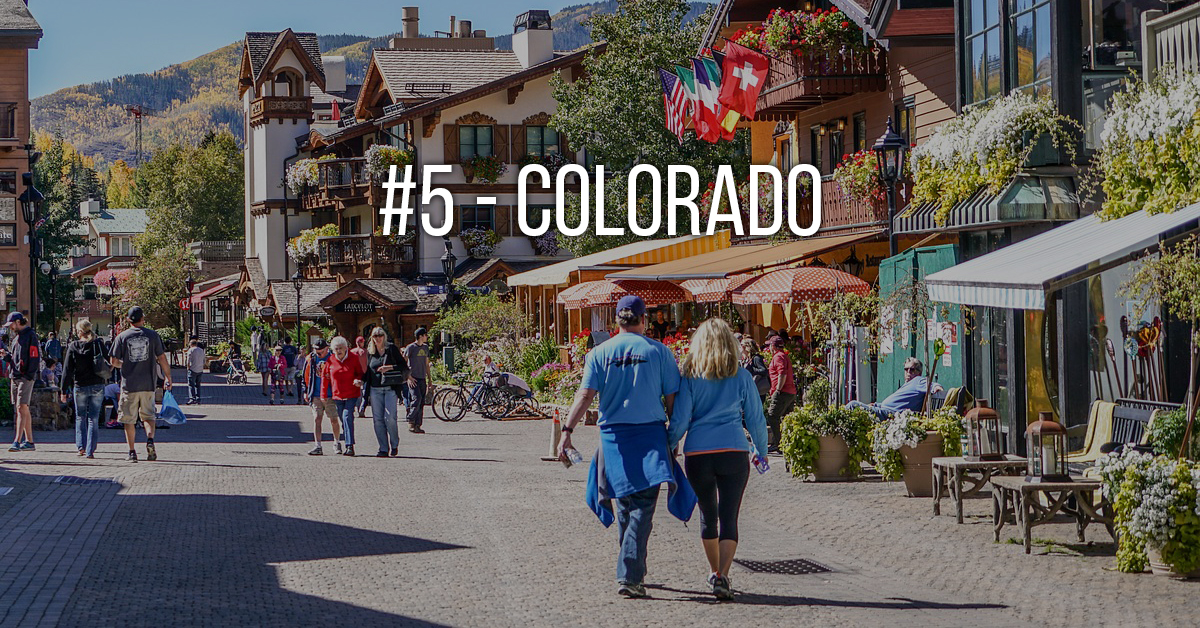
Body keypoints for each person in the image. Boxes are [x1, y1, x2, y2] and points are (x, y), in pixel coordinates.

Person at [557, 295, 694, 600]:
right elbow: (673, 400)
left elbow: (584, 396)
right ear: (644, 320)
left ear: (616, 321)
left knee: (624, 505)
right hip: (650, 438)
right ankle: (630, 575)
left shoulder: (599, 353)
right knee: (642, 507)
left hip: (614, 440)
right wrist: (673, 440)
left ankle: (632, 567)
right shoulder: (660, 352)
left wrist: (566, 431)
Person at [669, 319, 769, 600]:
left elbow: (681, 419)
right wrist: (761, 450)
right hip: (733, 451)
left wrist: (670, 444)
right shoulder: (741, 376)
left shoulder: (690, 376)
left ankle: (714, 571)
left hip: (698, 453)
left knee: (708, 515)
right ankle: (724, 574)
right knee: (729, 516)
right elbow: (756, 419)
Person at [110, 306, 171, 463]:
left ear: (128, 320)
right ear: (143, 319)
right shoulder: (152, 335)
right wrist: (168, 377)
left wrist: (125, 364)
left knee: (128, 419)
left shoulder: (122, 337)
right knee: (148, 416)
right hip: (148, 384)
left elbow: (113, 361)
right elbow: (162, 358)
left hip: (129, 385)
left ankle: (132, 452)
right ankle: (150, 439)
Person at [61, 320, 109, 458]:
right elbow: (110, 359)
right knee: (93, 418)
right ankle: (90, 450)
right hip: (97, 384)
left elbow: (67, 370)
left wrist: (63, 390)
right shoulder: (97, 343)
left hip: (80, 385)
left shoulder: (73, 346)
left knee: (80, 416)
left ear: (80, 331)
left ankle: (81, 447)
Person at [847, 357, 941, 421]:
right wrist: (877, 405)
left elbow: (932, 385)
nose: (908, 372)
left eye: (912, 370)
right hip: (883, 410)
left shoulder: (918, 380)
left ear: (919, 373)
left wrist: (937, 387)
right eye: (906, 369)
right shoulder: (907, 384)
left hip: (891, 415)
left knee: (853, 405)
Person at [365, 327, 408, 457]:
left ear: (384, 336)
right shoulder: (370, 352)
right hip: (375, 389)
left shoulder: (391, 349)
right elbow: (368, 371)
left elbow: (403, 366)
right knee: (378, 420)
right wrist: (361, 381)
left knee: (390, 418)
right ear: (372, 338)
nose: (378, 338)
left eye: (380, 335)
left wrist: (389, 367)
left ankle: (394, 444)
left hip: (390, 388)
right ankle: (383, 448)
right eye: (375, 336)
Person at [3, 312, 39, 452]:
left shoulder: (30, 335)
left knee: (21, 407)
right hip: (16, 375)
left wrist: (29, 375)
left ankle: (16, 441)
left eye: (11, 324)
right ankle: (29, 441)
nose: (10, 327)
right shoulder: (16, 337)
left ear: (18, 322)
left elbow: (34, 356)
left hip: (24, 376)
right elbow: (15, 358)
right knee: (23, 408)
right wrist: (6, 356)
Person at [325, 336, 366, 456]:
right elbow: (325, 376)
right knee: (343, 420)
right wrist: (323, 393)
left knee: (347, 417)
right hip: (337, 395)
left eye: (341, 348)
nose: (339, 351)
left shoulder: (353, 358)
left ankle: (349, 446)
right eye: (336, 349)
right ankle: (348, 441)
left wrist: (358, 380)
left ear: (345, 348)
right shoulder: (331, 360)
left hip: (351, 394)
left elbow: (360, 373)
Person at [302, 337, 342, 455]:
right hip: (316, 393)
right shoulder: (311, 359)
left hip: (330, 394)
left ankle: (337, 442)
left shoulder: (333, 358)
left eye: (320, 352)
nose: (318, 354)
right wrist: (305, 391)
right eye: (316, 351)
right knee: (317, 418)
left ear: (327, 349)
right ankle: (318, 445)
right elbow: (305, 375)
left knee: (334, 419)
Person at [764, 336, 796, 453]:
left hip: (783, 392)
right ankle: (787, 443)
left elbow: (782, 373)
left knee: (772, 416)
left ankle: (778, 444)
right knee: (787, 418)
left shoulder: (778, 357)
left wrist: (777, 389)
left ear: (773, 346)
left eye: (769, 345)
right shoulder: (784, 356)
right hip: (789, 392)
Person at [402, 328, 429, 434]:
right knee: (416, 399)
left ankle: (418, 425)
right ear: (420, 336)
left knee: (421, 402)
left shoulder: (425, 348)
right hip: (413, 378)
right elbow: (403, 363)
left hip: (422, 378)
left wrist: (430, 379)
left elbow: (427, 364)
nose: (427, 337)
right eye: (425, 335)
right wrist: (408, 377)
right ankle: (410, 419)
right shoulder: (411, 347)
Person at [740, 339, 770, 406]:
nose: (740, 346)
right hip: (750, 389)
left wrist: (752, 369)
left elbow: (764, 370)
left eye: (741, 345)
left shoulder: (756, 358)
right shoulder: (746, 359)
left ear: (745, 346)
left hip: (758, 390)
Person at [352, 336, 369, 418]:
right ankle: (361, 409)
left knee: (357, 393)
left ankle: (358, 408)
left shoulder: (352, 352)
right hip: (364, 374)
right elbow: (368, 363)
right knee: (365, 393)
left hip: (355, 375)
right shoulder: (365, 352)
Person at [185, 339, 205, 405]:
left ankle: (192, 399)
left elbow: (188, 360)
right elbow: (204, 360)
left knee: (191, 385)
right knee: (198, 385)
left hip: (192, 369)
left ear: (191, 344)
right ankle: (198, 399)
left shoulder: (191, 350)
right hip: (200, 369)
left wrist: (188, 367)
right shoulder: (201, 350)